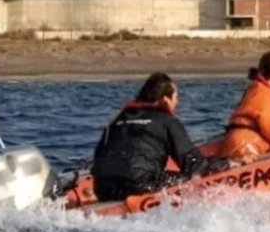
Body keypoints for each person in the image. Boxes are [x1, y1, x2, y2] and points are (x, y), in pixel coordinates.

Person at [91, 72, 231, 201]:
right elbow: (194, 165)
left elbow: (98, 158)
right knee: (190, 179)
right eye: (176, 98)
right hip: (141, 185)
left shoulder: (116, 120)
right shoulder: (167, 121)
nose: (177, 103)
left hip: (103, 189)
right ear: (165, 99)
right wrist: (227, 163)